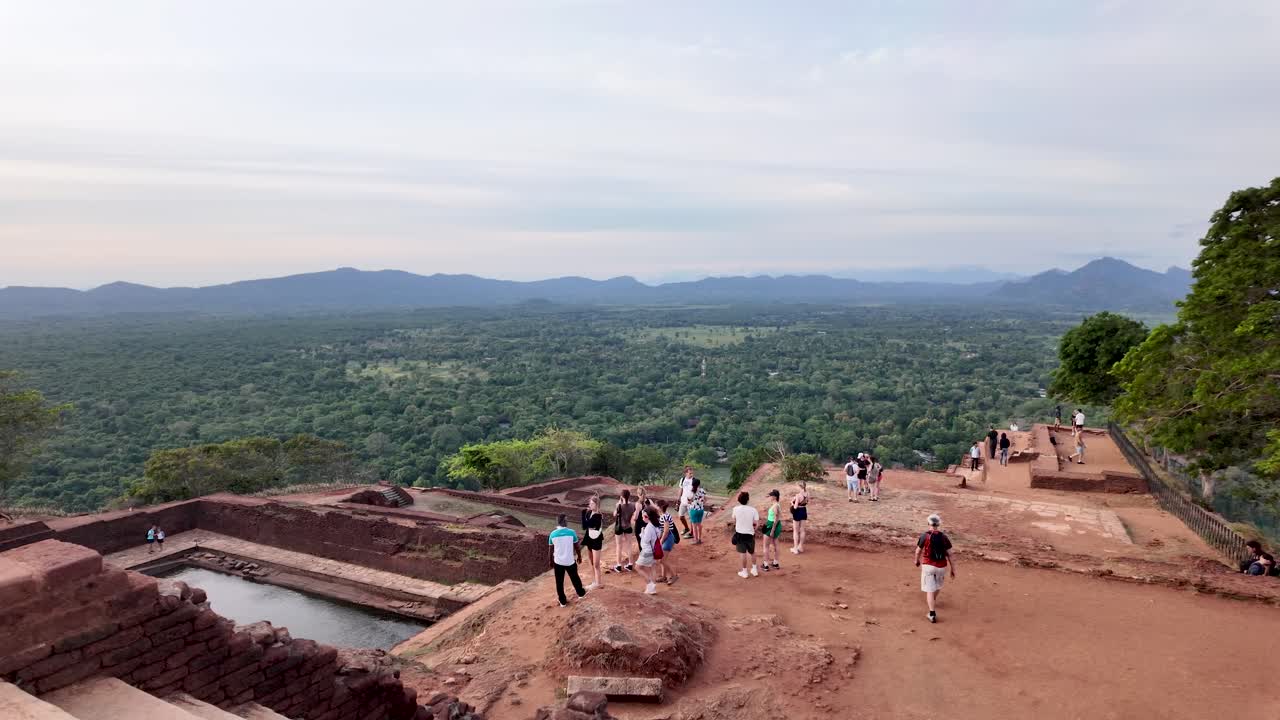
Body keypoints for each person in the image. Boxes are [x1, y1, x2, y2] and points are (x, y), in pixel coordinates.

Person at [914, 514, 956, 623]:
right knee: (937, 586)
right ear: (938, 524)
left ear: (928, 524)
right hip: (941, 566)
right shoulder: (944, 537)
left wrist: (916, 560)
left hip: (928, 566)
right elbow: (950, 554)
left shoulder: (925, 536)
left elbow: (918, 551)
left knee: (929, 590)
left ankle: (932, 613)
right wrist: (953, 569)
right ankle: (933, 600)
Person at [548, 514, 587, 607]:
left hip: (558, 562)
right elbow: (577, 547)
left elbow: (550, 550)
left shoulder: (552, 534)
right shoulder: (572, 532)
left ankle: (562, 601)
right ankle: (581, 593)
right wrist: (579, 556)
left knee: (559, 582)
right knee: (575, 578)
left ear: (557, 522)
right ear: (565, 522)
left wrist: (550, 561)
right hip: (570, 561)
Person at [731, 491, 760, 578]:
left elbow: (735, 521)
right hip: (750, 534)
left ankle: (745, 572)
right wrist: (753, 529)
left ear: (739, 500)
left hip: (740, 534)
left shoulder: (735, 509)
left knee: (743, 553)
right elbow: (757, 524)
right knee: (752, 552)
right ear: (748, 500)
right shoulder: (753, 510)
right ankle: (754, 570)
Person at [581, 495, 605, 590]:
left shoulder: (598, 516)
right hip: (589, 538)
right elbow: (585, 526)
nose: (590, 505)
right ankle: (594, 581)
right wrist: (585, 515)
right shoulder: (589, 513)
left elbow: (584, 525)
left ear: (597, 504)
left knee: (596, 563)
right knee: (591, 562)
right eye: (590, 503)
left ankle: (598, 583)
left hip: (596, 540)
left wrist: (583, 514)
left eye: (592, 503)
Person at [636, 506, 662, 595]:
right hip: (653, 550)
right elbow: (658, 536)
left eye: (645, 516)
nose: (643, 518)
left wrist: (642, 533)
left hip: (647, 550)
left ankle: (650, 584)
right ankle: (653, 588)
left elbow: (646, 540)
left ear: (649, 517)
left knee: (638, 568)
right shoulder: (656, 526)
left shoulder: (649, 527)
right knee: (652, 568)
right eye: (643, 516)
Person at [655, 499, 679, 585]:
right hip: (667, 538)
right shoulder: (663, 515)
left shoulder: (665, 516)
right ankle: (663, 577)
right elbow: (662, 530)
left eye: (656, 505)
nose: (655, 507)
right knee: (663, 559)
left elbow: (666, 531)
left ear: (660, 507)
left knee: (662, 560)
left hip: (668, 539)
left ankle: (674, 576)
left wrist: (661, 541)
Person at [612, 489, 635, 573]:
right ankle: (630, 564)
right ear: (629, 496)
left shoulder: (619, 505)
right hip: (628, 526)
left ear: (621, 496)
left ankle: (618, 565)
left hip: (619, 527)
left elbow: (614, 514)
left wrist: (619, 502)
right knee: (629, 546)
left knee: (619, 546)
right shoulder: (633, 505)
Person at [761, 489, 783, 570]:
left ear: (774, 497)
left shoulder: (775, 506)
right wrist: (769, 494)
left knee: (766, 546)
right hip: (776, 525)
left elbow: (776, 518)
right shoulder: (777, 504)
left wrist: (772, 530)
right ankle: (775, 563)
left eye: (771, 496)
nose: (769, 497)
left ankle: (766, 565)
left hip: (772, 525)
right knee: (776, 544)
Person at [789, 481, 809, 554]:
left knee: (796, 530)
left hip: (797, 512)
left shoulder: (798, 495)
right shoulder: (807, 494)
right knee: (803, 530)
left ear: (799, 486)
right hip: (804, 510)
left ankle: (795, 548)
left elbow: (795, 507)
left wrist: (792, 502)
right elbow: (807, 502)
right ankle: (800, 547)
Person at [677, 466, 697, 538]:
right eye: (690, 473)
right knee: (681, 516)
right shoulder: (682, 480)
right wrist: (678, 499)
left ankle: (691, 533)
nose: (691, 475)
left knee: (691, 518)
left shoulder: (694, 481)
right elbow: (680, 489)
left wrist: (693, 500)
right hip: (683, 501)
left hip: (691, 503)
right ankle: (686, 528)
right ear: (685, 473)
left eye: (692, 473)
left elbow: (696, 492)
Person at [687, 477, 708, 545]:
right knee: (699, 525)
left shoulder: (691, 491)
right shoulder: (702, 490)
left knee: (694, 526)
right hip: (701, 510)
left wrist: (691, 503)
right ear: (699, 484)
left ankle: (695, 540)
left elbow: (689, 501)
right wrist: (701, 503)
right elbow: (705, 500)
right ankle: (699, 539)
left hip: (693, 510)